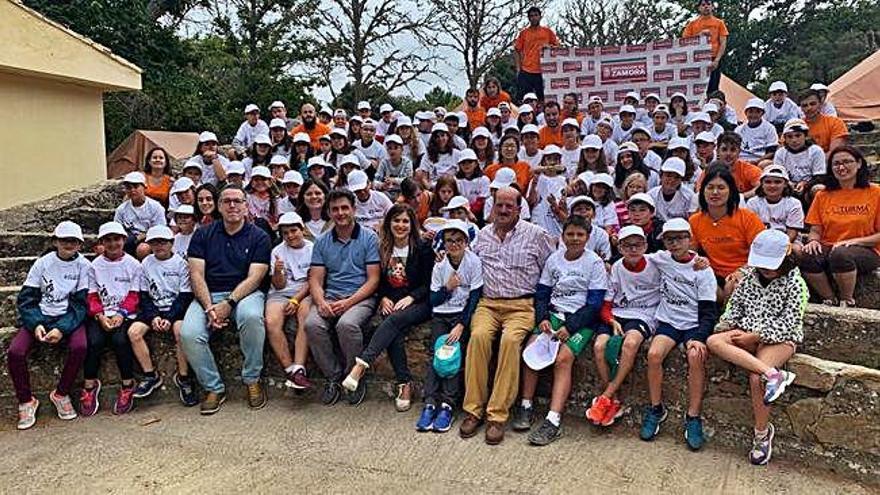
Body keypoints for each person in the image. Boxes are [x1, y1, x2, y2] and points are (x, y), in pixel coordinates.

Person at [459, 187, 555, 445]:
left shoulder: (537, 235)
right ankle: (473, 410)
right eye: (499, 205)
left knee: (511, 342)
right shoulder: (482, 236)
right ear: (492, 206)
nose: (503, 210)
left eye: (508, 206)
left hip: (521, 305)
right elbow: (468, 265)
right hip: (488, 304)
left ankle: (497, 415)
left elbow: (552, 269)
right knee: (477, 337)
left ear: (519, 208)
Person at [707, 229, 806, 465]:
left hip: (780, 338)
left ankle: (761, 434)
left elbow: (790, 322)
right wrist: (726, 327)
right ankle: (773, 374)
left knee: (756, 379)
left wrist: (757, 336)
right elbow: (734, 307)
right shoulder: (750, 277)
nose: (765, 269)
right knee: (713, 340)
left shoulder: (797, 284)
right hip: (746, 332)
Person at [180, 185, 272, 415]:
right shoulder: (203, 234)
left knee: (251, 317)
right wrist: (210, 307)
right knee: (188, 333)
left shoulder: (259, 236)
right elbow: (196, 274)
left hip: (245, 294)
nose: (232, 205)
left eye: (237, 201)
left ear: (245, 206)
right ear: (219, 206)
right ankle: (214, 387)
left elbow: (256, 277)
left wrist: (228, 304)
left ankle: (252, 379)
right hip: (209, 295)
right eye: (227, 201)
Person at [516, 217, 607, 445]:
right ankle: (526, 405)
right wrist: (543, 318)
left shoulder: (594, 263)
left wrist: (570, 327)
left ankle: (553, 420)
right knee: (530, 351)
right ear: (563, 236)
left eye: (580, 235)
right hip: (554, 314)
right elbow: (543, 293)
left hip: (581, 320)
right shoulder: (554, 260)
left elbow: (594, 304)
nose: (574, 239)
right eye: (570, 234)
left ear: (587, 237)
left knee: (563, 359)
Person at [343, 205, 434, 411]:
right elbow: (379, 280)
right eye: (396, 220)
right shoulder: (382, 247)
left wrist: (412, 297)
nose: (400, 225)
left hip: (420, 303)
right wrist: (383, 297)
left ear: (412, 225)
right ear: (388, 223)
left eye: (405, 221)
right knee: (394, 329)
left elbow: (430, 283)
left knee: (392, 321)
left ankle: (361, 365)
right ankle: (404, 383)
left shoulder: (422, 248)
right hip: (393, 302)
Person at [640, 218, 718, 450]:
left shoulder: (703, 270)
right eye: (669, 239)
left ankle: (693, 416)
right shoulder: (661, 258)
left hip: (693, 323)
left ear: (689, 239)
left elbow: (708, 312)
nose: (674, 243)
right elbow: (633, 257)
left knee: (696, 356)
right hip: (669, 320)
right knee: (654, 354)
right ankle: (656, 408)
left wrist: (699, 337)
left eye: (680, 238)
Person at [8, 221, 90, 429]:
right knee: (16, 352)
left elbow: (81, 305)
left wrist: (62, 328)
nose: (69, 244)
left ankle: (61, 393)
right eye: (64, 240)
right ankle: (26, 400)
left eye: (73, 241)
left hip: (69, 318)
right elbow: (27, 299)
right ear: (55, 241)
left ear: (80, 244)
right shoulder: (42, 263)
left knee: (80, 346)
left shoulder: (84, 267)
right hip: (41, 315)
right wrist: (36, 323)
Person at [306, 189, 381, 406]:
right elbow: (315, 278)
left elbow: (373, 279)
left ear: (354, 210)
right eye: (335, 209)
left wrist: (348, 303)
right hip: (331, 295)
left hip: (360, 297)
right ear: (329, 212)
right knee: (312, 324)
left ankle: (354, 375)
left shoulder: (368, 238)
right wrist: (320, 302)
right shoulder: (322, 241)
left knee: (347, 325)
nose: (340, 213)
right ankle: (333, 376)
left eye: (344, 208)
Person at [413, 220, 483, 432]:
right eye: (449, 240)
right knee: (438, 356)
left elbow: (474, 296)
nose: (454, 245)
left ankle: (448, 404)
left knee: (452, 358)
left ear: (466, 242)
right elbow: (434, 299)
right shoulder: (440, 265)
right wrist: (448, 287)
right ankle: (430, 402)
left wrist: (462, 324)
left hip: (460, 316)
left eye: (458, 240)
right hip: (442, 315)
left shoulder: (473, 262)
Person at [587, 225, 657, 427]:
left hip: (645, 314)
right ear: (620, 248)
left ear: (645, 245)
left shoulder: (656, 262)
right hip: (618, 314)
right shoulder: (617, 267)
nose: (633, 249)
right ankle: (614, 398)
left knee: (631, 343)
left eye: (637, 245)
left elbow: (683, 257)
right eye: (627, 245)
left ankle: (605, 396)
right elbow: (607, 304)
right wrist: (611, 321)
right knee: (600, 346)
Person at [800, 146, 880, 307]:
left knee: (841, 254)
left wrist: (855, 241)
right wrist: (813, 241)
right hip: (830, 245)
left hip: (868, 249)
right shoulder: (823, 195)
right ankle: (829, 298)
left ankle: (846, 300)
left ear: (858, 164)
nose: (841, 167)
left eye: (847, 162)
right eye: (836, 164)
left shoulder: (875, 192)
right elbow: (815, 230)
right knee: (807, 256)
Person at [81, 221, 144, 417]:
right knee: (94, 341)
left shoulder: (134, 265)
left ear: (124, 240)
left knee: (120, 340)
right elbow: (92, 296)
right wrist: (100, 316)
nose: (113, 244)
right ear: (102, 242)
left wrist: (120, 314)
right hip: (101, 314)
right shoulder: (94, 266)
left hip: (124, 314)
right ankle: (89, 386)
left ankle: (127, 383)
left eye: (116, 239)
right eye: (108, 240)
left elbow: (134, 294)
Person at [127, 226, 194, 404]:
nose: (158, 246)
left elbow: (184, 296)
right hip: (154, 310)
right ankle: (150, 375)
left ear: (171, 243)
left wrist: (169, 317)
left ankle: (184, 377)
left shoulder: (181, 264)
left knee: (180, 331)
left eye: (162, 242)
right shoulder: (145, 264)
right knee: (134, 332)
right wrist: (154, 316)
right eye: (154, 243)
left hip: (175, 310)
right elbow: (144, 295)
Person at [690, 165, 766, 303]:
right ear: (702, 191)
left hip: (746, 271)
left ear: (731, 191)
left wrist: (742, 272)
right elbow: (691, 255)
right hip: (712, 274)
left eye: (721, 188)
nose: (715, 192)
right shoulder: (695, 221)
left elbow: (762, 253)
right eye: (710, 187)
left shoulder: (747, 217)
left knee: (735, 285)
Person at [265, 212, 314, 392]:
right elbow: (278, 285)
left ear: (302, 229)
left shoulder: (312, 248)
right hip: (281, 293)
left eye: (294, 231)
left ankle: (299, 365)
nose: (290, 236)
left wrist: (296, 300)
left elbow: (313, 280)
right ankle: (290, 369)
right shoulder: (277, 251)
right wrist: (278, 272)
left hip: (304, 292)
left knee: (305, 317)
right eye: (286, 233)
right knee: (271, 322)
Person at [745, 166, 804, 246]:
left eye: (777, 182)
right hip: (760, 241)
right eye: (768, 182)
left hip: (788, 241)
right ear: (762, 184)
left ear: (785, 184)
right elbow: (751, 230)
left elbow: (792, 232)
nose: (772, 186)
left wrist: (778, 246)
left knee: (797, 250)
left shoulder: (794, 203)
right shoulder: (752, 203)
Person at [114, 171, 167, 260]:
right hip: (128, 239)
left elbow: (160, 229)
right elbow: (117, 229)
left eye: (136, 187)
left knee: (142, 249)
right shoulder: (121, 209)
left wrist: (144, 236)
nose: (132, 190)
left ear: (144, 187)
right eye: (129, 188)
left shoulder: (155, 207)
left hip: (150, 240)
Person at [513, 6, 558, 101]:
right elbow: (517, 49)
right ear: (528, 18)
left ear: (540, 17)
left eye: (536, 15)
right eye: (531, 16)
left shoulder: (547, 32)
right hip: (526, 70)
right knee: (525, 99)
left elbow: (558, 47)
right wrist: (518, 68)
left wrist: (550, 47)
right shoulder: (524, 33)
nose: (534, 18)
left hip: (543, 70)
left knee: (543, 99)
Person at [772, 118, 826, 197]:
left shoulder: (816, 151)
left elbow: (820, 176)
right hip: (787, 187)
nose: (794, 140)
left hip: (809, 187)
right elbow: (778, 174)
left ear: (805, 136)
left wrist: (805, 184)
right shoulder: (780, 153)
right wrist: (788, 183)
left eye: (798, 135)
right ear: (785, 139)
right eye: (790, 137)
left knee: (819, 189)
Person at [683, 0, 728, 92]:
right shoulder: (692, 24)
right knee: (696, 88)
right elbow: (685, 42)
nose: (706, 7)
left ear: (712, 7)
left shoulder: (719, 23)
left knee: (713, 87)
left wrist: (717, 60)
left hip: (713, 58)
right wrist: (699, 35)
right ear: (699, 8)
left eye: (708, 4)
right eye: (703, 5)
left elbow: (723, 43)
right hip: (696, 60)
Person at [526, 146, 567, 237]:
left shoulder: (563, 180)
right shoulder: (537, 178)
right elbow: (531, 202)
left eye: (556, 159)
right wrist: (534, 183)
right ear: (544, 161)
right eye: (549, 158)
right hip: (539, 219)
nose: (552, 162)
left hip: (556, 220)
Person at [799, 89, 849, 154]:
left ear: (820, 105)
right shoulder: (796, 126)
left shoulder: (835, 122)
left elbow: (834, 153)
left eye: (813, 104)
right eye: (805, 105)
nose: (809, 108)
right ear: (801, 108)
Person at [735, 98, 778, 164]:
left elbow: (772, 151)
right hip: (741, 160)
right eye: (751, 111)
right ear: (746, 113)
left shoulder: (769, 128)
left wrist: (757, 161)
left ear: (762, 113)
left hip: (760, 160)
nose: (753, 115)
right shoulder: (739, 129)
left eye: (757, 111)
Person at [417, 123, 460, 188]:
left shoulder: (457, 154)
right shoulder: (428, 155)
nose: (440, 139)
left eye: (442, 135)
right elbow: (424, 177)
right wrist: (429, 188)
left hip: (452, 188)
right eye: (437, 137)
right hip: (434, 188)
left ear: (448, 137)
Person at [373, 134, 413, 199]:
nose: (392, 151)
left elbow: (409, 181)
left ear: (402, 149)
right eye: (390, 148)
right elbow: (375, 181)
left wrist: (394, 180)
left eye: (396, 148)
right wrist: (382, 185)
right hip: (387, 193)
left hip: (403, 193)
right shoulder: (384, 162)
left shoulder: (407, 162)